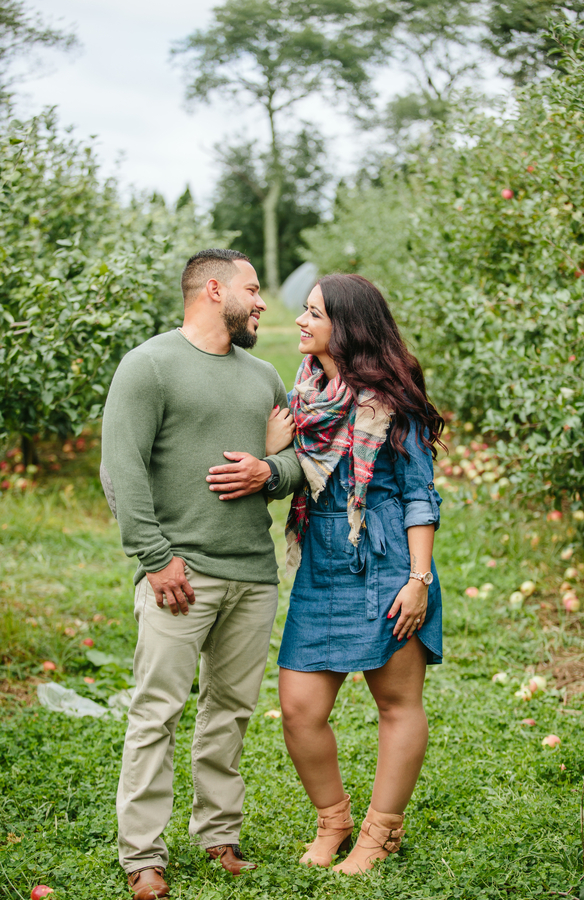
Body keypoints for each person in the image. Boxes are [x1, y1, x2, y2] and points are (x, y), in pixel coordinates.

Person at [100, 248, 301, 900]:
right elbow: (121, 468)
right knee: (156, 713)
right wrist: (155, 559)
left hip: (253, 574)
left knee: (230, 712)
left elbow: (299, 464)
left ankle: (219, 834)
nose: (262, 302)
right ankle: (142, 856)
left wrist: (268, 471)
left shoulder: (264, 377)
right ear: (214, 290)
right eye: (253, 289)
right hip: (180, 575)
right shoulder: (150, 366)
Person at [271, 273, 445, 875]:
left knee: (396, 703)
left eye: (313, 312)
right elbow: (285, 469)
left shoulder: (393, 400)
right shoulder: (304, 395)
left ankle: (381, 831)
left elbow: (420, 496)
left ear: (345, 327)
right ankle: (334, 819)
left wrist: (417, 581)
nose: (300, 320)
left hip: (387, 559)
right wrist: (273, 444)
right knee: (298, 707)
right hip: (322, 561)